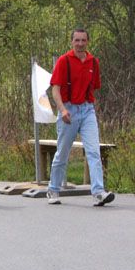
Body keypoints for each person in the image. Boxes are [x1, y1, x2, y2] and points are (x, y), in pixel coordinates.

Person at [47, 28, 115, 206]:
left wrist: (89, 107)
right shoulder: (64, 61)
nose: (80, 44)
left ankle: (98, 192)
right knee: (63, 152)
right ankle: (53, 189)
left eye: (83, 40)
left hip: (87, 110)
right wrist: (62, 110)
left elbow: (94, 87)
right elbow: (55, 88)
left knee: (93, 151)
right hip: (68, 109)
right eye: (77, 40)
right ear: (72, 42)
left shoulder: (93, 62)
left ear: (87, 42)